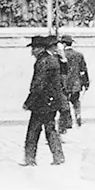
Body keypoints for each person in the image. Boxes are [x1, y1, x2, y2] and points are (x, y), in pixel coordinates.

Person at [21, 35, 65, 166]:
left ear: (40, 48)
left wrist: (28, 102)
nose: (32, 52)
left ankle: (30, 159)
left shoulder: (42, 61)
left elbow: (38, 85)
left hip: (41, 103)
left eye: (34, 48)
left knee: (33, 131)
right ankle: (59, 157)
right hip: (51, 102)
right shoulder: (52, 60)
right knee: (50, 129)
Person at [58, 35, 89, 130]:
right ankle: (78, 115)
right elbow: (83, 70)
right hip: (76, 83)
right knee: (75, 101)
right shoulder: (79, 55)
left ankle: (65, 124)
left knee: (64, 104)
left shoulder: (61, 55)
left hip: (64, 84)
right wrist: (86, 82)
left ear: (63, 44)